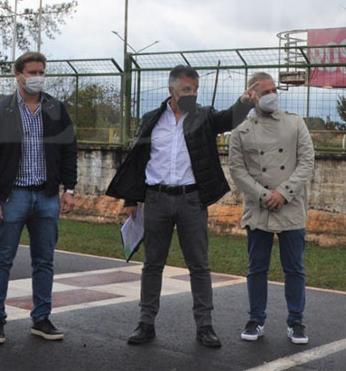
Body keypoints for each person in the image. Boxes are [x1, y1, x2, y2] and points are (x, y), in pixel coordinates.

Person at [106, 65, 256, 348]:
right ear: (171, 90)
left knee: (199, 265)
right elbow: (138, 160)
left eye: (195, 90)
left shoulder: (203, 116)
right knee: (152, 265)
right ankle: (145, 323)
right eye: (187, 89)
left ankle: (205, 326)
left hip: (191, 200)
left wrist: (244, 104)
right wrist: (130, 200)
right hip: (156, 200)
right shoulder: (151, 119)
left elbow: (228, 119)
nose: (192, 94)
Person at [0, 51, 78, 345]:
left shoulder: (56, 109)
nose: (37, 77)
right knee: (1, 260)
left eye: (41, 72)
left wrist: (69, 189)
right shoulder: (1, 111)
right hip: (12, 197)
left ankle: (41, 318)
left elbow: (69, 150)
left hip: (47, 197)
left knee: (44, 261)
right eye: (32, 72)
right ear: (17, 74)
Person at [228, 72, 315, 345]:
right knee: (256, 268)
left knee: (295, 269)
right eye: (264, 92)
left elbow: (307, 162)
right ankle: (256, 319)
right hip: (259, 208)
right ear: (252, 95)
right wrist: (265, 195)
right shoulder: (241, 131)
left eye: (273, 89)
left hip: (290, 207)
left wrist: (284, 193)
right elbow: (237, 170)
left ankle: (296, 322)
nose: (271, 95)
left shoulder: (295, 123)